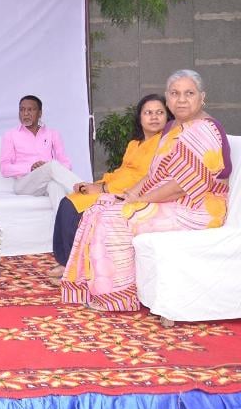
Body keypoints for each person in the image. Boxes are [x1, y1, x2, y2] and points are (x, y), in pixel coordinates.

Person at [61, 70, 232, 314]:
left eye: (189, 93)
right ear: (168, 98)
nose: (181, 99)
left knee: (114, 218)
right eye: (175, 93)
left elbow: (180, 187)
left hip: (197, 209)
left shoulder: (204, 130)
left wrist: (139, 201)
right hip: (168, 202)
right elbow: (153, 175)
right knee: (99, 207)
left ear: (202, 97)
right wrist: (131, 195)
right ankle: (97, 287)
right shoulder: (174, 127)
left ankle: (117, 297)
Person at [47, 94, 171, 282]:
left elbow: (145, 177)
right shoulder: (134, 144)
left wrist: (104, 189)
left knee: (75, 209)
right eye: (148, 113)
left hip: (130, 194)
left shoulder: (165, 143)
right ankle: (66, 261)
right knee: (69, 200)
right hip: (111, 188)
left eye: (159, 113)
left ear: (167, 117)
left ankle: (77, 270)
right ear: (140, 117)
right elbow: (120, 171)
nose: (154, 117)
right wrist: (95, 185)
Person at [0, 95, 81, 213]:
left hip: (46, 182)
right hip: (24, 184)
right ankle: (86, 192)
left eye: (30, 110)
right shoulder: (10, 135)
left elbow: (66, 163)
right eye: (22, 110)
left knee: (55, 187)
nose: (25, 114)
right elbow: (4, 168)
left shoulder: (53, 134)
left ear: (40, 113)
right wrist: (31, 168)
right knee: (51, 166)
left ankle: (63, 228)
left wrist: (47, 169)